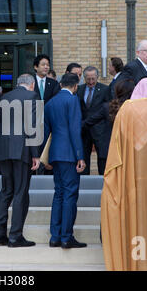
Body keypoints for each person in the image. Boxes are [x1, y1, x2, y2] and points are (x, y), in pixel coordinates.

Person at [101, 78, 147, 271]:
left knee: (134, 220)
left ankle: (133, 262)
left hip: (131, 176)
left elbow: (117, 146)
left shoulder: (127, 110)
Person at [0, 74, 40, 247]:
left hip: (3, 149)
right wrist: (36, 154)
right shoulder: (32, 96)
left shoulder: (4, 97)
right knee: (20, 192)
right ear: (32, 85)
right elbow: (32, 126)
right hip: (22, 150)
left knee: (6, 191)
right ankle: (15, 236)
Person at [43, 73, 87, 249]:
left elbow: (46, 132)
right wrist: (80, 156)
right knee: (70, 194)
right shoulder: (73, 100)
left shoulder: (50, 102)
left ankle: (55, 236)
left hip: (55, 153)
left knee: (59, 194)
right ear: (75, 86)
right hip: (69, 153)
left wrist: (42, 155)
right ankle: (66, 237)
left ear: (61, 84)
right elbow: (75, 130)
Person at [83, 79, 136, 174]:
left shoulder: (107, 107)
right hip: (128, 151)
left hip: (108, 150)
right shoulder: (135, 108)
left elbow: (88, 122)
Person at [77, 66, 109, 175]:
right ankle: (84, 182)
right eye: (88, 79)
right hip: (84, 129)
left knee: (102, 158)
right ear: (84, 78)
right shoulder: (79, 89)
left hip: (99, 130)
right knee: (84, 156)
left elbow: (106, 110)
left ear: (97, 77)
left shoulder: (105, 89)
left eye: (93, 79)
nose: (91, 82)